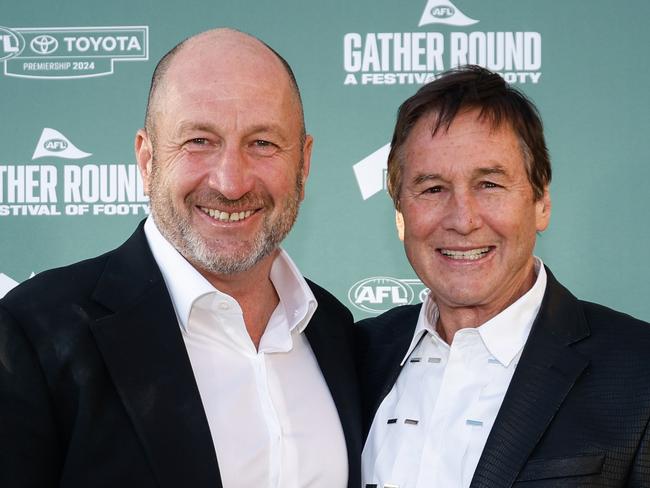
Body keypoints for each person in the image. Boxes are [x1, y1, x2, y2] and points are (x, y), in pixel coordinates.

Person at [0, 29, 361, 488]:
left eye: (263, 143)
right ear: (147, 160)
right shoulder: (35, 331)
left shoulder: (336, 330)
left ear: (304, 164)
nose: (231, 182)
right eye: (199, 141)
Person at [358, 65, 650, 487]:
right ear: (400, 209)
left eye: (490, 184)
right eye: (433, 188)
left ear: (541, 202)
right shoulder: (356, 356)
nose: (462, 219)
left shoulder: (639, 374)